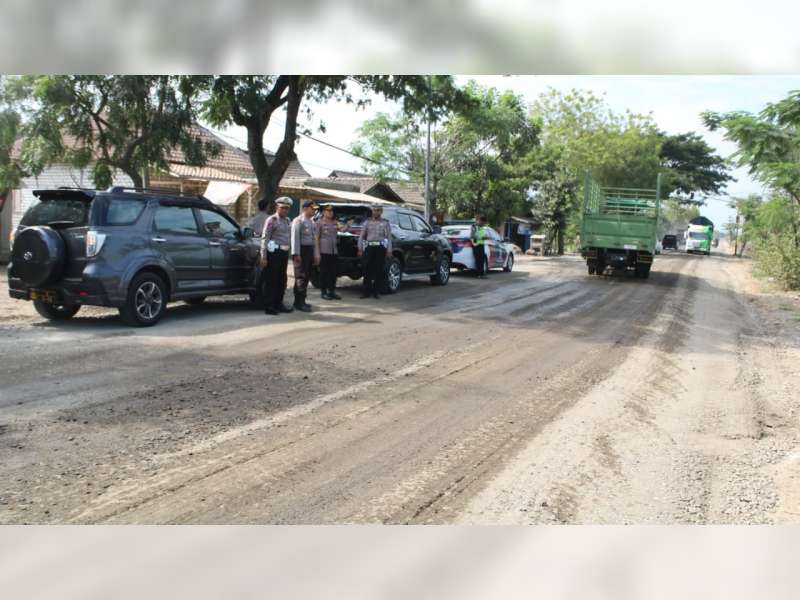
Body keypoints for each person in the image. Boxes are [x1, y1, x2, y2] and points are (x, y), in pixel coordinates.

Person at [260, 197, 294, 316]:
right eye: (282, 208)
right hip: (273, 253)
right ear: (277, 207)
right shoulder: (272, 220)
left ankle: (279, 303)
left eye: (287, 208)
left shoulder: (288, 220)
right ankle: (269, 305)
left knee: (282, 280)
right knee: (272, 280)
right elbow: (265, 238)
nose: (285, 210)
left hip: (284, 253)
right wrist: (263, 257)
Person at [357, 204, 392, 299]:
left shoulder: (385, 223)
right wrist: (360, 248)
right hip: (369, 247)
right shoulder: (367, 222)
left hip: (380, 248)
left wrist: (389, 250)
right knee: (366, 269)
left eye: (377, 210)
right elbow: (362, 236)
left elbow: (388, 237)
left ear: (381, 212)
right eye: (374, 210)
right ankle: (366, 292)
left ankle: (376, 292)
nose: (375, 212)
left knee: (378, 270)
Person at [290, 200, 319, 313]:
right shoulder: (298, 221)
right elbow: (295, 238)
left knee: (306, 276)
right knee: (301, 277)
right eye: (312, 208)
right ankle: (298, 302)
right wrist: (296, 254)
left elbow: (314, 239)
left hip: (309, 251)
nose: (314, 210)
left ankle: (302, 300)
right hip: (301, 251)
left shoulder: (311, 222)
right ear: (305, 208)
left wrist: (316, 254)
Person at [316, 203, 344, 300]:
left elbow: (343, 229)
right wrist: (317, 253)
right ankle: (323, 292)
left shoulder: (335, 222)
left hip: (333, 251)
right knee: (324, 272)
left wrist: (348, 224)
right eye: (328, 211)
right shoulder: (319, 223)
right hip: (324, 251)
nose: (331, 213)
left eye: (331, 211)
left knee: (333, 272)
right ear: (323, 212)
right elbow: (316, 238)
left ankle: (331, 291)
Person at [472, 215, 489, 279]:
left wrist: (485, 237)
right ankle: (478, 274)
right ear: (480, 221)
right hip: (476, 245)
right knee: (478, 260)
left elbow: (481, 235)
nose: (484, 224)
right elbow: (472, 236)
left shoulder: (481, 227)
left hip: (481, 245)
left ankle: (481, 274)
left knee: (482, 260)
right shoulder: (474, 226)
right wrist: (482, 237)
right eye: (484, 223)